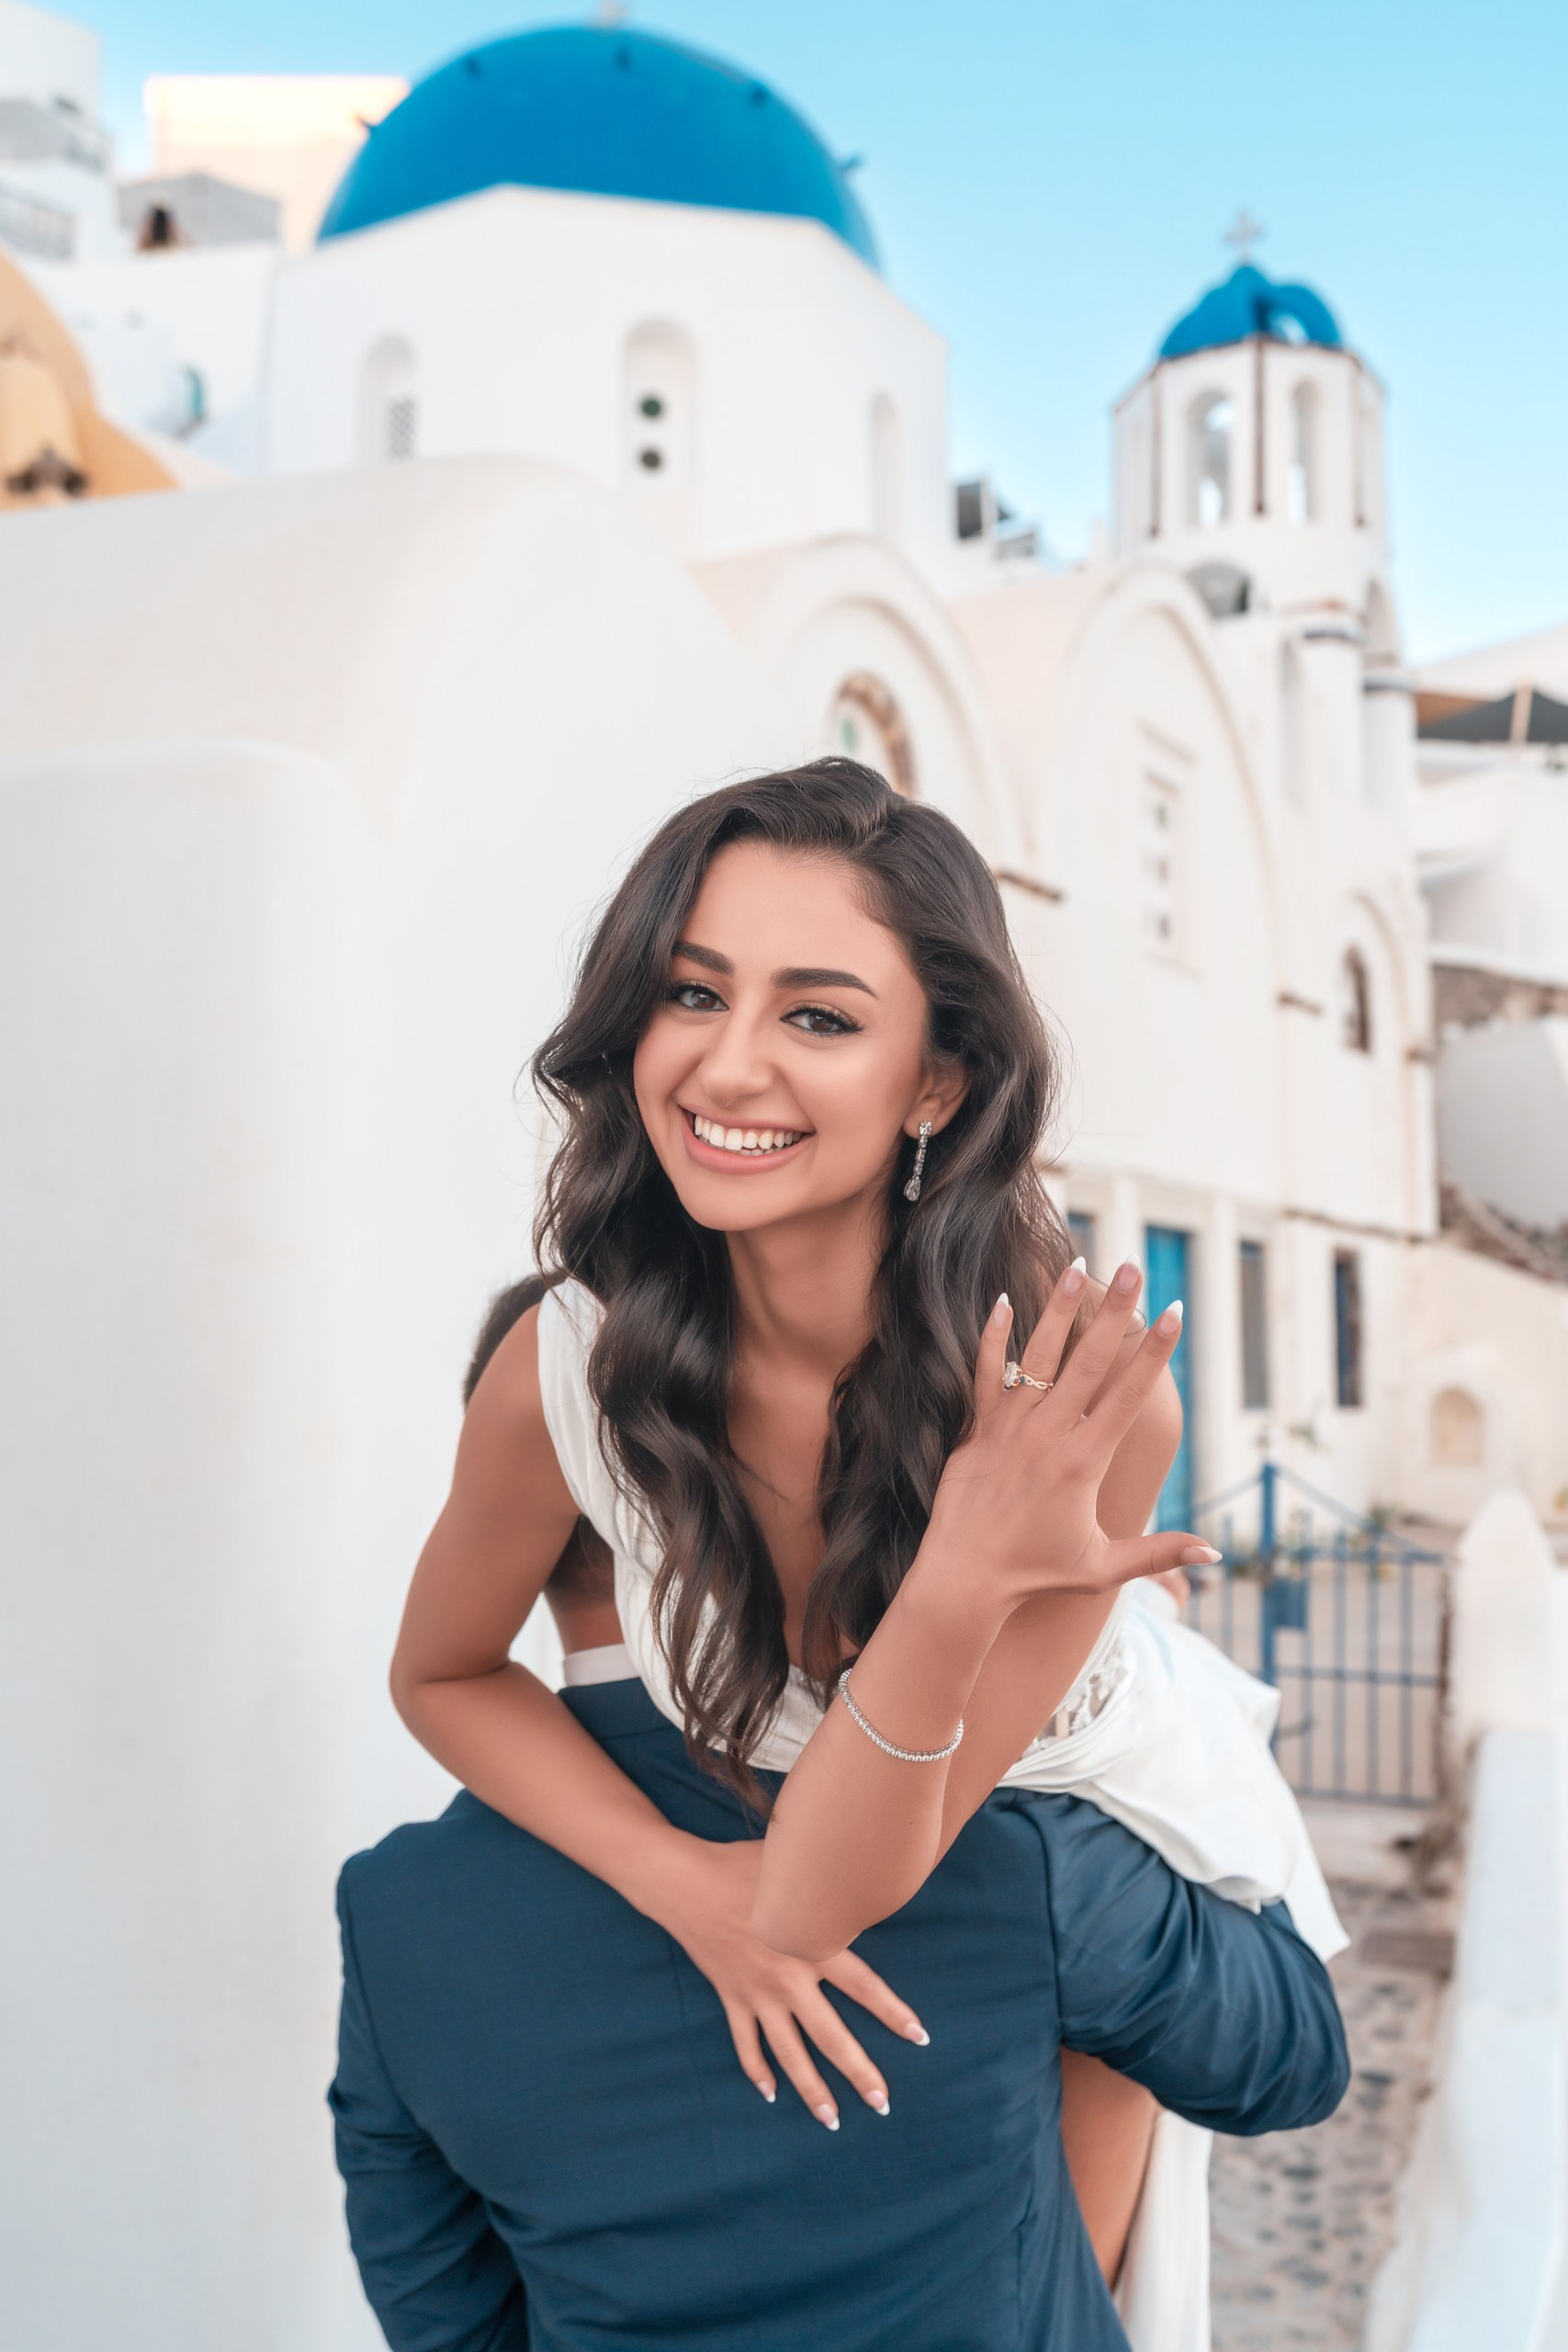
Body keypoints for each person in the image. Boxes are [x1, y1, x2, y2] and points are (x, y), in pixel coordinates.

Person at [375, 759, 1347, 2345]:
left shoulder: (1073, 1398)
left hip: (1080, 1777)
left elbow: (827, 1896)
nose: (727, 1064)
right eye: (693, 992)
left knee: (1069, 2268)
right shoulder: (564, 1370)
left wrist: (965, 1570)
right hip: (879, 1793)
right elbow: (441, 1673)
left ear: (935, 1083)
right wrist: (680, 1881)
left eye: (817, 1016)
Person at [333, 1672, 1348, 2350]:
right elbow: (1290, 2062)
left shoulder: (399, 1910)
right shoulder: (997, 1833)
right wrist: (1144, 1724)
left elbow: (439, 2312)